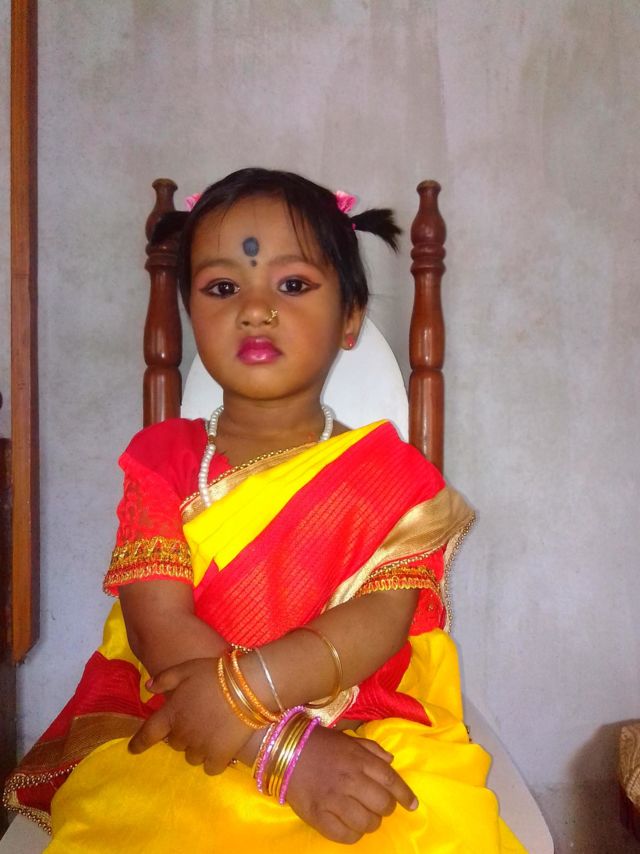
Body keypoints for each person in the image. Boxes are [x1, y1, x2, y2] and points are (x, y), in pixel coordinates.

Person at [4, 168, 524, 852]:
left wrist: (262, 700)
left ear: (350, 318)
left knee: (419, 818)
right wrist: (281, 752)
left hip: (356, 724)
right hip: (188, 719)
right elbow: (158, 626)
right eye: (223, 288)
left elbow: (380, 619)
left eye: (293, 285)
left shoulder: (392, 476)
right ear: (191, 312)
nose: (255, 309)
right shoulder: (160, 462)